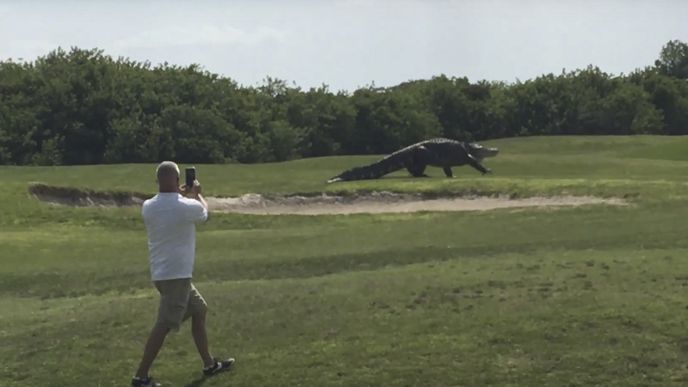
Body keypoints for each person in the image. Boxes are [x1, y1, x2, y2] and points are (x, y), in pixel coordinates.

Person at [131, 161, 233, 387]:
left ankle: (209, 364)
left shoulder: (148, 206)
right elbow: (205, 213)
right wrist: (198, 194)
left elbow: (168, 202)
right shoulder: (187, 206)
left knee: (199, 309)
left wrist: (182, 193)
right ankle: (140, 377)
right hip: (177, 275)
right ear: (178, 181)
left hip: (162, 274)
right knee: (164, 324)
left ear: (157, 181)